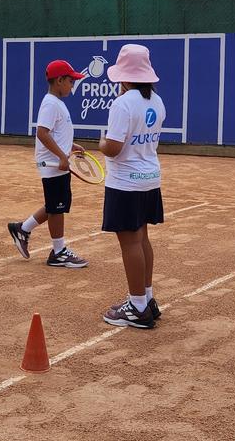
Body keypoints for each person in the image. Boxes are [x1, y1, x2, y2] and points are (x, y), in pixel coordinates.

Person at [98, 44, 165, 329]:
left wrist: (100, 143)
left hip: (125, 182)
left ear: (124, 77)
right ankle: (146, 298)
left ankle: (137, 306)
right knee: (142, 238)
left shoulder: (123, 104)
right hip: (149, 179)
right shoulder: (157, 101)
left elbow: (112, 148)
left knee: (130, 242)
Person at [6, 59, 89, 268]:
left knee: (55, 205)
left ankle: (22, 228)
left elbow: (56, 134)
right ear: (59, 80)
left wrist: (70, 147)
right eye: (71, 81)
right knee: (57, 208)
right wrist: (62, 156)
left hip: (57, 163)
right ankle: (58, 252)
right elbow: (42, 133)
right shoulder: (51, 104)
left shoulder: (57, 103)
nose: (73, 85)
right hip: (53, 165)